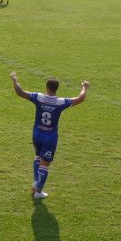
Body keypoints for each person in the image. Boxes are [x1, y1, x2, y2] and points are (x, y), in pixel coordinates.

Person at [10, 72, 89, 200]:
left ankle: (36, 183)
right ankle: (39, 192)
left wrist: (15, 80)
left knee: (37, 157)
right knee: (45, 164)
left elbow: (20, 91)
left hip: (36, 133)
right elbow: (80, 99)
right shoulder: (60, 102)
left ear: (46, 87)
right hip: (50, 137)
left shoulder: (39, 97)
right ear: (57, 88)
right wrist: (85, 87)